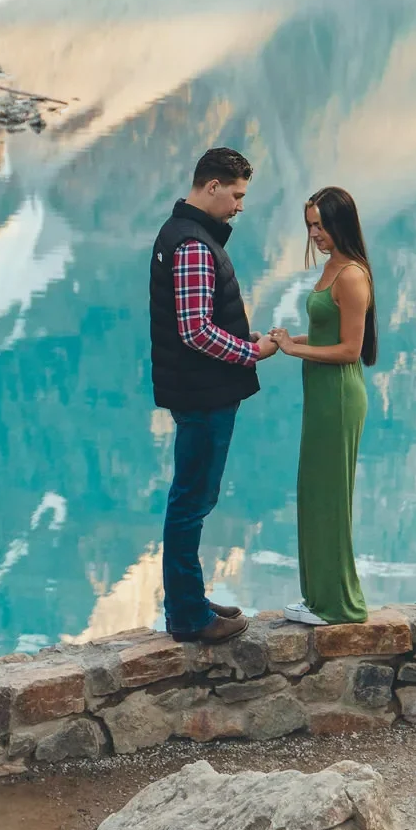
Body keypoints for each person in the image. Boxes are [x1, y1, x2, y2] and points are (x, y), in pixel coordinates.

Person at [150, 145, 277, 642]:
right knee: (191, 502)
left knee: (193, 498)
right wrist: (253, 350)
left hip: (196, 390)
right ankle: (187, 616)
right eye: (236, 195)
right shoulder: (193, 245)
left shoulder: (179, 234)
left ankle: (191, 598)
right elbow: (196, 330)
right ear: (211, 187)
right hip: (203, 395)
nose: (239, 206)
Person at [272, 185, 377, 626]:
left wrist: (297, 353)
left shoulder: (351, 274)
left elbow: (351, 350)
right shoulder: (332, 267)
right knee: (315, 492)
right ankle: (318, 597)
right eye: (310, 225)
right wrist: (293, 339)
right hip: (321, 395)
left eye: (321, 224)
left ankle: (339, 607)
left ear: (341, 223)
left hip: (338, 396)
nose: (315, 233)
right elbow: (329, 334)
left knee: (331, 497)